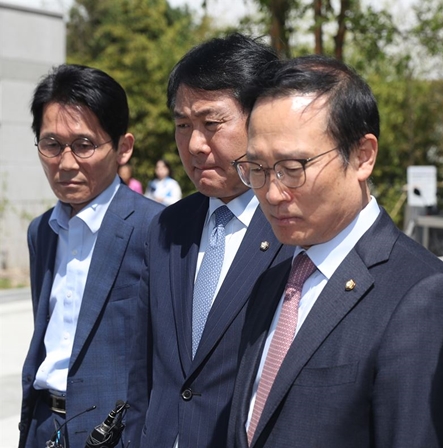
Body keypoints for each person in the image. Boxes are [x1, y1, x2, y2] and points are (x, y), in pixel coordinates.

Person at [227, 55, 443, 448]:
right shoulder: (274, 277)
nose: (273, 192)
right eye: (257, 168)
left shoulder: (423, 299)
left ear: (363, 155)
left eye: (293, 168)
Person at [125, 34, 293, 448]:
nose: (195, 145)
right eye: (183, 125)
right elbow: (143, 367)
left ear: (259, 118)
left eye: (212, 123)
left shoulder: (293, 234)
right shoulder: (167, 228)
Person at [18, 64, 163, 448]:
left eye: (84, 145)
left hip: (113, 434)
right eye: (51, 145)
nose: (66, 164)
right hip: (43, 426)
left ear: (123, 147)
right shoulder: (41, 231)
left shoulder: (156, 229)